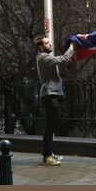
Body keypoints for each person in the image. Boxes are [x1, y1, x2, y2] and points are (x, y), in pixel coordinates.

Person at [35, 35, 74, 166]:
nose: (50, 44)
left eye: (49, 42)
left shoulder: (46, 57)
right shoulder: (44, 57)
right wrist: (72, 47)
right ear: (41, 47)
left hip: (53, 93)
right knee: (50, 126)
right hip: (50, 95)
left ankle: (49, 153)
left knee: (52, 125)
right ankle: (47, 156)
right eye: (46, 43)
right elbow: (63, 59)